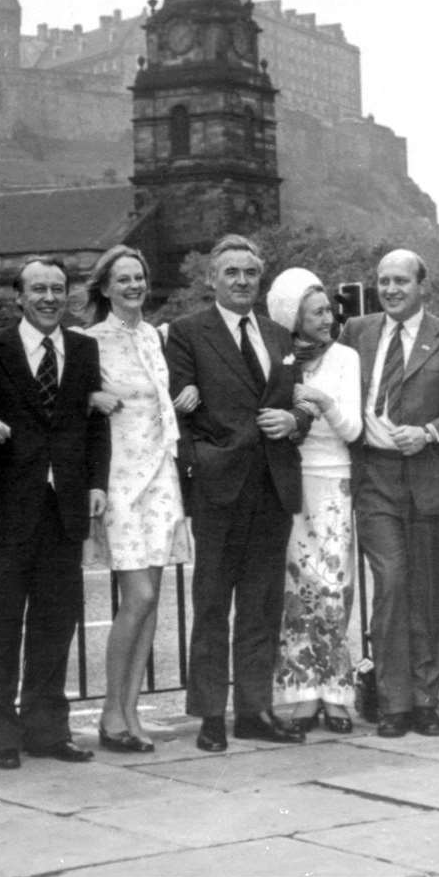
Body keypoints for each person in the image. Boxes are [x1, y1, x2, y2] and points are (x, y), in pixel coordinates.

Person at [165, 234, 311, 752]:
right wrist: (202, 461)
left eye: (250, 272)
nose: (242, 281)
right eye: (231, 272)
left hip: (272, 484)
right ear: (212, 279)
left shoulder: (278, 335)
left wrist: (294, 418)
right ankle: (209, 714)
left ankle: (254, 710)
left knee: (262, 603)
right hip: (218, 486)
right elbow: (177, 410)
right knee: (211, 603)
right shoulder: (186, 333)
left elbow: (298, 401)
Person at [0, 255, 110, 768]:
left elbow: (95, 424)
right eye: (38, 290)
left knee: (55, 623)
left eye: (58, 289)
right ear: (18, 296)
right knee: (0, 625)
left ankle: (47, 729)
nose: (50, 298)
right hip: (5, 508)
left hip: (64, 507)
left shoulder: (83, 349)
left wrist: (97, 482)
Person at [339, 249, 439, 738]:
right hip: (375, 478)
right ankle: (393, 702)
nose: (391, 290)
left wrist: (432, 429)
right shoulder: (356, 333)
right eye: (383, 281)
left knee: (423, 589)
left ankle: (426, 700)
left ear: (424, 286)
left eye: (402, 281)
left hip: (430, 477)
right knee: (392, 583)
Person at [81, 245, 192, 753]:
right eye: (122, 279)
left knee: (152, 602)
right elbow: (68, 397)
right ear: (104, 288)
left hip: (160, 476)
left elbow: (161, 400)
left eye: (139, 277)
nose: (133, 286)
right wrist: (89, 396)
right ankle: (109, 713)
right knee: (138, 596)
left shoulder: (155, 336)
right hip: (121, 476)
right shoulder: (87, 341)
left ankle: (130, 712)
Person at [266, 267, 362, 733]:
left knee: (332, 588)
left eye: (329, 310)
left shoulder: (345, 358)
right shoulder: (280, 358)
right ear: (294, 318)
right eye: (317, 311)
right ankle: (303, 692)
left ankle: (337, 693)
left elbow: (352, 430)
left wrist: (321, 399)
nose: (328, 319)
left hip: (333, 478)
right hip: (291, 480)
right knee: (298, 592)